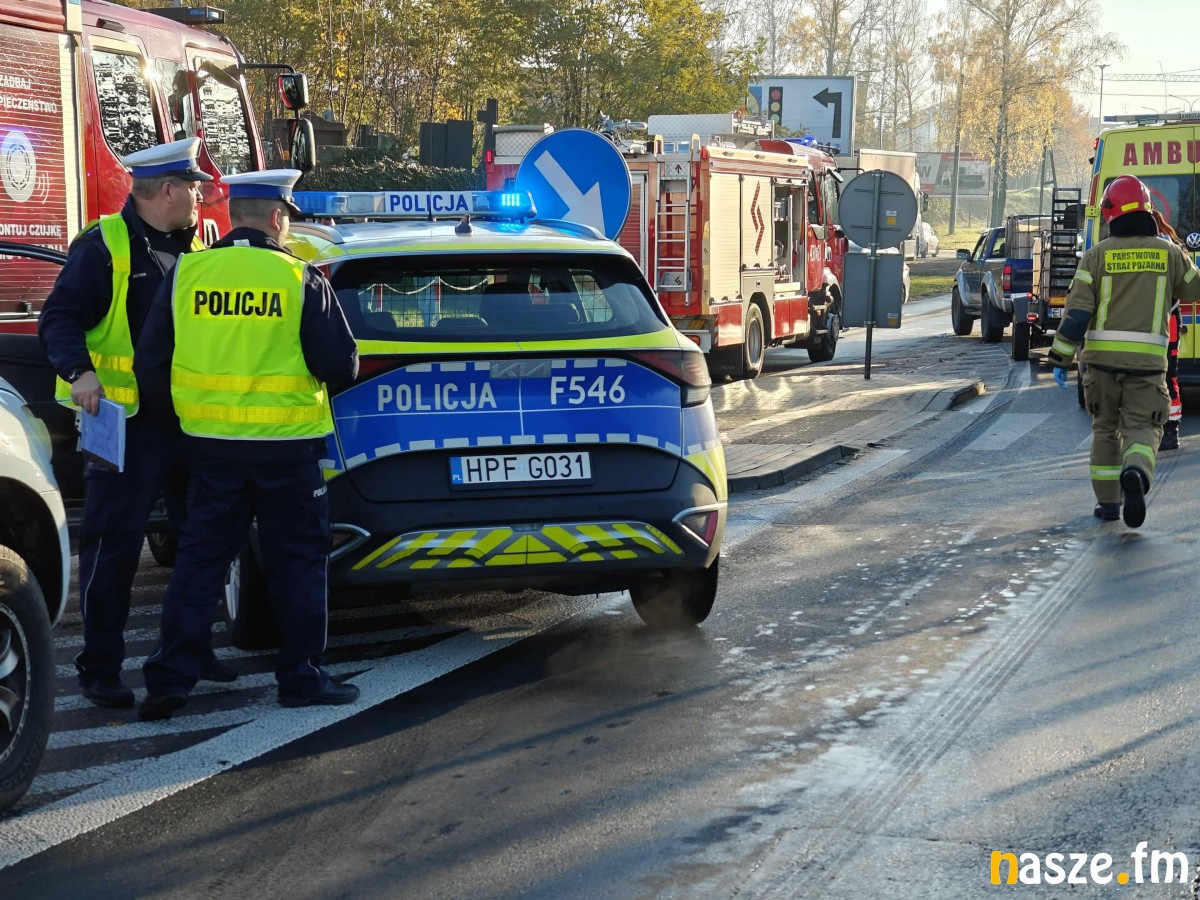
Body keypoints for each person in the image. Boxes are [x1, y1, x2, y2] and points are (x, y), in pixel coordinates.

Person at [134, 169, 360, 720]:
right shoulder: (298, 278)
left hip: (211, 449)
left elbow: (151, 362)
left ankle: (170, 678)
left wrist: (188, 425)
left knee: (200, 562)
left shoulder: (187, 272)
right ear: (278, 217)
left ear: (235, 217)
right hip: (287, 450)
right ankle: (300, 677)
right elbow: (340, 365)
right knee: (298, 563)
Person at [37, 138, 235, 709]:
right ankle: (100, 668)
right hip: (123, 423)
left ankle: (192, 650)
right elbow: (59, 318)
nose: (201, 196)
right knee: (114, 546)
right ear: (167, 190)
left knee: (199, 542)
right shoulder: (105, 245)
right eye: (193, 187)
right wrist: (79, 372)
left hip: (188, 421)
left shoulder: (199, 247)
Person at [1048, 175, 1200, 528]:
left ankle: (1108, 505)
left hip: (1100, 364)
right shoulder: (1167, 252)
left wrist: (1060, 358)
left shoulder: (1095, 256)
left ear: (1110, 213)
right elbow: (1194, 290)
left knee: (1105, 429)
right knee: (1144, 427)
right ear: (1148, 209)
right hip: (1147, 364)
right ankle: (1136, 471)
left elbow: (1077, 313)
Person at [1150, 208, 1185, 450]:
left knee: (1163, 375)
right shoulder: (1171, 247)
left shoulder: (1165, 249)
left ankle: (1169, 429)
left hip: (1163, 318)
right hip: (1168, 317)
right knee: (1168, 375)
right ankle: (1169, 429)